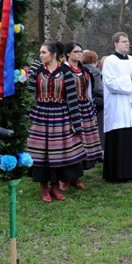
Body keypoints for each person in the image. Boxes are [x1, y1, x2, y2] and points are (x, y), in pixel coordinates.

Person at [27, 42, 87, 202]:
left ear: (53, 55)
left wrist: (76, 122)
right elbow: (28, 96)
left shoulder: (65, 73)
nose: (40, 55)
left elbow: (72, 99)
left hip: (60, 116)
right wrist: (27, 116)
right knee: (41, 153)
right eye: (40, 52)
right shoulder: (37, 72)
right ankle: (44, 187)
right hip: (40, 116)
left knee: (57, 153)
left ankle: (55, 187)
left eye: (43, 52)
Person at [102, 32, 132, 181]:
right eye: (124, 41)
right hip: (118, 107)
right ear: (116, 44)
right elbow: (110, 84)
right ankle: (120, 172)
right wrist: (129, 77)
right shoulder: (110, 61)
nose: (127, 43)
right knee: (121, 140)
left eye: (128, 41)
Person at [59, 42, 104, 190]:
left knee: (82, 144)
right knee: (70, 144)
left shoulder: (84, 70)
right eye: (76, 51)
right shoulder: (62, 70)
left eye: (81, 51)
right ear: (67, 54)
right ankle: (65, 178)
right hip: (70, 109)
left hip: (85, 108)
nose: (79, 54)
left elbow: (90, 91)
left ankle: (76, 177)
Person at [82, 50, 104, 146]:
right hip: (96, 102)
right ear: (94, 60)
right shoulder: (95, 71)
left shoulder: (80, 69)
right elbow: (99, 89)